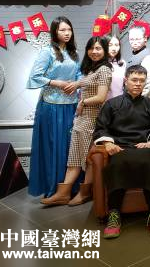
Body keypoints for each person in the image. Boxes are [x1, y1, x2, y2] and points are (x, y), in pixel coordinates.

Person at [92, 65, 150, 239]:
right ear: (126, 81)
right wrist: (107, 143)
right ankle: (114, 213)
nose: (138, 84)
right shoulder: (112, 104)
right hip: (120, 147)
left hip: (143, 147)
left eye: (142, 81)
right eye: (134, 80)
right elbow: (101, 128)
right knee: (117, 163)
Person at [41, 36, 112, 206]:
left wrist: (83, 102)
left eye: (98, 48)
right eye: (91, 48)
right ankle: (62, 193)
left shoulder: (104, 70)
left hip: (93, 118)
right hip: (81, 119)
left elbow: (101, 97)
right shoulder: (90, 69)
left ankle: (84, 193)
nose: (94, 52)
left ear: (105, 51)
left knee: (88, 158)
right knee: (74, 158)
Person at [27, 16, 80, 198]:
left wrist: (77, 83)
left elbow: (79, 74)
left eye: (69, 29)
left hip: (71, 105)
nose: (67, 33)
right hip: (51, 106)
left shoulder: (74, 53)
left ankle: (69, 187)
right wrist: (56, 82)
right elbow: (35, 76)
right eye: (62, 30)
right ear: (54, 32)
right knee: (53, 146)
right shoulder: (47, 52)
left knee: (69, 147)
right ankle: (53, 188)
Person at [127, 26, 150, 99]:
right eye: (131, 39)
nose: (134, 42)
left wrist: (141, 102)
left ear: (145, 38)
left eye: (138, 39)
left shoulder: (148, 56)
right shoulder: (135, 54)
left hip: (139, 101)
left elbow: (149, 85)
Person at [106, 35, 126, 99]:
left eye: (116, 45)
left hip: (120, 100)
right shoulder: (100, 63)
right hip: (104, 101)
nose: (114, 48)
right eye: (110, 45)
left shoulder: (122, 63)